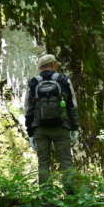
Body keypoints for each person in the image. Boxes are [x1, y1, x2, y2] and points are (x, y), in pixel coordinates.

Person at [25, 54, 79, 191]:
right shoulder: (63, 80)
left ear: (40, 67)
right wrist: (74, 127)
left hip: (40, 128)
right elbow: (72, 105)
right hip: (61, 126)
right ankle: (71, 194)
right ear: (53, 65)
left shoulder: (33, 82)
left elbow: (28, 108)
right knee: (66, 161)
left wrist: (30, 132)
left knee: (43, 162)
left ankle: (45, 195)